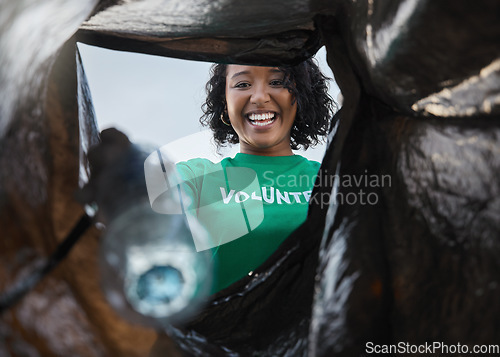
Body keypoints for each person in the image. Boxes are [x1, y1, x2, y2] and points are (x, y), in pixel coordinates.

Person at [175, 59, 335, 293]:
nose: (259, 96)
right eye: (242, 84)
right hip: (219, 328)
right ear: (224, 100)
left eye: (277, 82)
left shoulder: (333, 180)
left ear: (298, 95)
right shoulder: (196, 177)